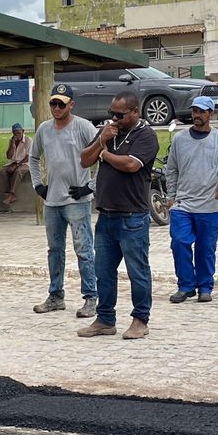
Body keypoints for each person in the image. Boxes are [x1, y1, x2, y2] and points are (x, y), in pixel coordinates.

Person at [77, 90, 158, 340]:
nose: (115, 118)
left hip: (132, 217)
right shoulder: (108, 132)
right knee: (103, 271)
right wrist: (101, 141)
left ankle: (140, 319)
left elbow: (131, 165)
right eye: (112, 113)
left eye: (120, 115)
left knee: (138, 271)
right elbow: (83, 160)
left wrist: (105, 154)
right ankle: (104, 319)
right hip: (107, 215)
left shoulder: (146, 136)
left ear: (135, 111)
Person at [30, 86, 98, 317]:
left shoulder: (83, 127)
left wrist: (90, 186)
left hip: (77, 200)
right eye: (53, 104)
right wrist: (38, 184)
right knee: (54, 250)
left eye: (62, 104)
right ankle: (56, 295)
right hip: (52, 201)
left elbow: (103, 154)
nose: (57, 108)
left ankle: (91, 297)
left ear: (71, 104)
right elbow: (33, 157)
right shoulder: (44, 129)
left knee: (84, 249)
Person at [164, 95, 218, 304]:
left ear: (210, 114)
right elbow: (172, 169)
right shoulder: (179, 139)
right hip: (183, 203)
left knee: (205, 248)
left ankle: (205, 286)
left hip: (210, 204)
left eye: (202, 111)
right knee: (179, 242)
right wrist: (171, 196)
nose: (197, 115)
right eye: (195, 111)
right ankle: (185, 285)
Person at [1, 123, 30, 207]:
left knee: (18, 172)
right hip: (14, 162)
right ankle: (8, 194)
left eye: (19, 133)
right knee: (3, 172)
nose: (17, 135)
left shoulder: (28, 140)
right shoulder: (12, 141)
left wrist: (16, 165)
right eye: (15, 133)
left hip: (25, 163)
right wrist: (12, 145)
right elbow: (8, 156)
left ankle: (12, 193)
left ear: (23, 131)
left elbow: (28, 157)